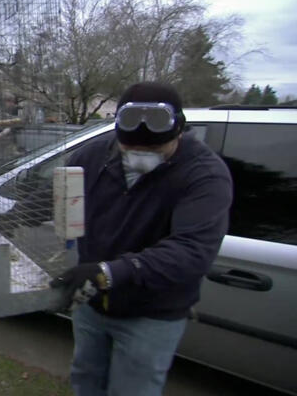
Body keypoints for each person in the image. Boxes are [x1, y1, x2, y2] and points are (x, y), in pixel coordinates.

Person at [51, 82, 232, 396]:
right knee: (86, 378)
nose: (140, 157)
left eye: (154, 151)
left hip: (151, 314)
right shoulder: (93, 156)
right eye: (130, 149)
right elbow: (60, 195)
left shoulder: (204, 174)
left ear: (179, 132)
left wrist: (109, 272)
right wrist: (13, 218)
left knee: (133, 390)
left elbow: (192, 251)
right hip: (92, 304)